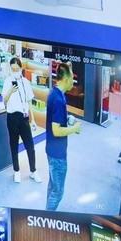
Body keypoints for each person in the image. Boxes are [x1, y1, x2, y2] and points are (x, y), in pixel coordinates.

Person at [45, 64, 79, 211]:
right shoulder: (58, 99)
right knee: (57, 193)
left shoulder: (55, 93)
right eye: (72, 77)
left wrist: (67, 119)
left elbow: (55, 119)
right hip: (57, 154)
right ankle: (48, 217)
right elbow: (56, 131)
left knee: (52, 186)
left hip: (51, 149)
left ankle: (46, 214)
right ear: (65, 78)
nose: (73, 81)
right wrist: (74, 129)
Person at [3, 60, 38, 182]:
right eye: (13, 69)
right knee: (14, 145)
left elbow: (29, 101)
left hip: (24, 117)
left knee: (30, 145)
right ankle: (16, 171)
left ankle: (33, 171)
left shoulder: (26, 82)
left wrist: (33, 120)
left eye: (17, 69)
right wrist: (10, 91)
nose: (15, 71)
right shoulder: (7, 81)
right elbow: (4, 101)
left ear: (21, 68)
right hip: (12, 117)